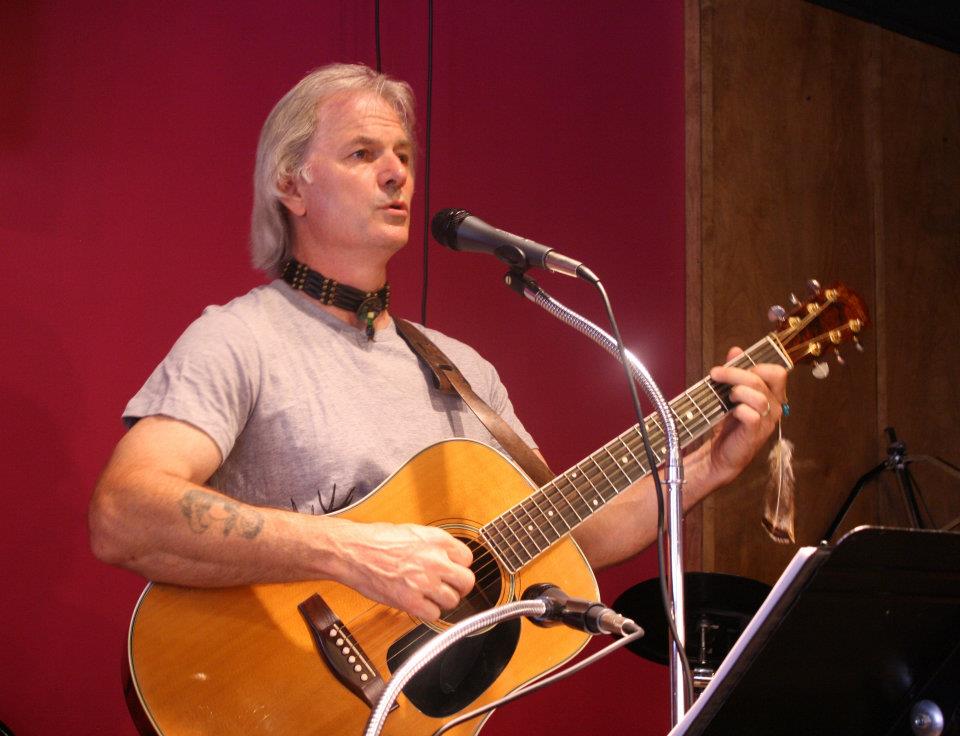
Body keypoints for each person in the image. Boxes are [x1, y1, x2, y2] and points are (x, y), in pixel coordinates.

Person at [88, 63, 787, 624]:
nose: (397, 174)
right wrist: (353, 550)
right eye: (363, 154)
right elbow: (124, 513)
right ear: (289, 185)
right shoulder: (241, 339)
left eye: (402, 155)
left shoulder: (462, 370)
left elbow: (568, 536)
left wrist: (707, 470)